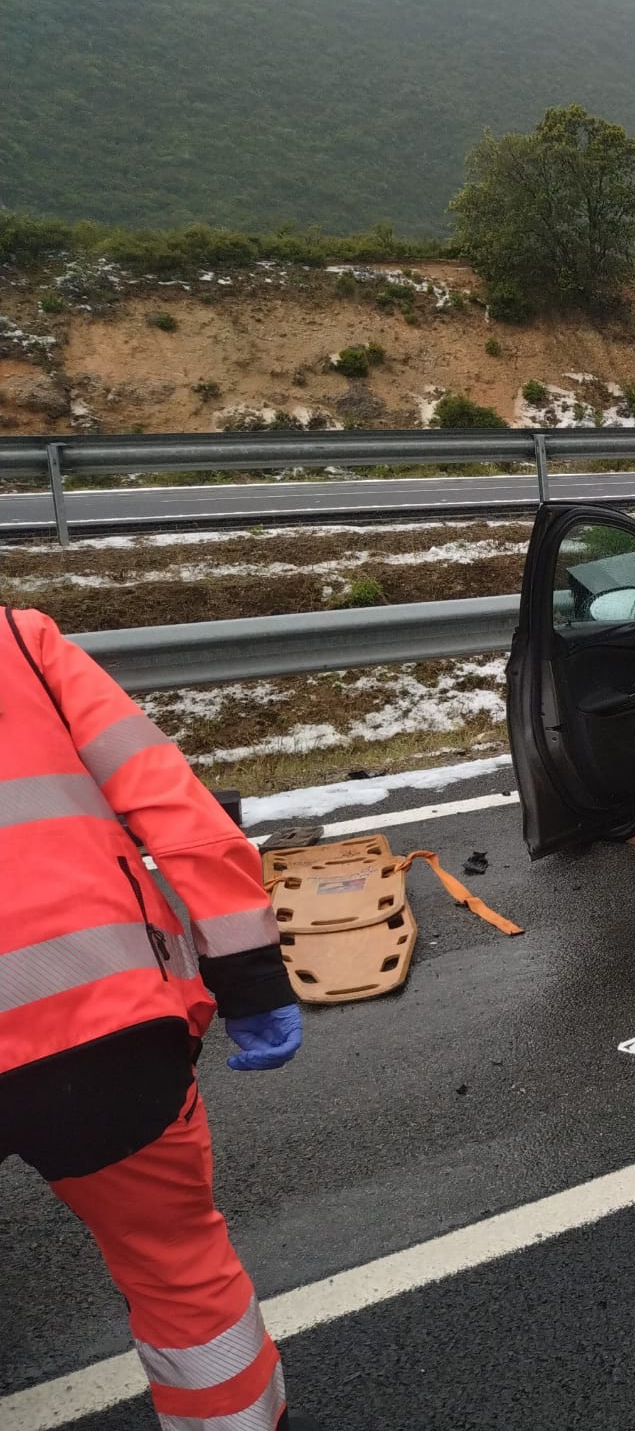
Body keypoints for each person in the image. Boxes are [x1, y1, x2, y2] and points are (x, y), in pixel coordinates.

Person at [1, 606, 299, 1431]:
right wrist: (250, 976)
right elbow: (173, 806)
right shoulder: (21, 644)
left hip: (100, 1023)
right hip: (102, 1024)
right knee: (177, 1267)